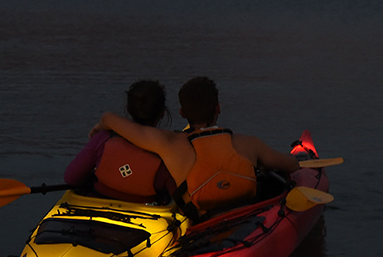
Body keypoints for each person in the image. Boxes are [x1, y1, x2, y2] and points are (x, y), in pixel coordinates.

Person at [91, 76, 298, 219]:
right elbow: (292, 165)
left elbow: (111, 118)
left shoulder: (168, 144)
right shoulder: (249, 143)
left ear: (181, 112)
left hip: (204, 222)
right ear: (218, 108)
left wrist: (102, 125)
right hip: (247, 216)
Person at [64, 80, 176, 204]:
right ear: (162, 114)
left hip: (97, 203)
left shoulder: (103, 138)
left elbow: (71, 178)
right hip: (147, 213)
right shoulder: (169, 150)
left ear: (128, 109)